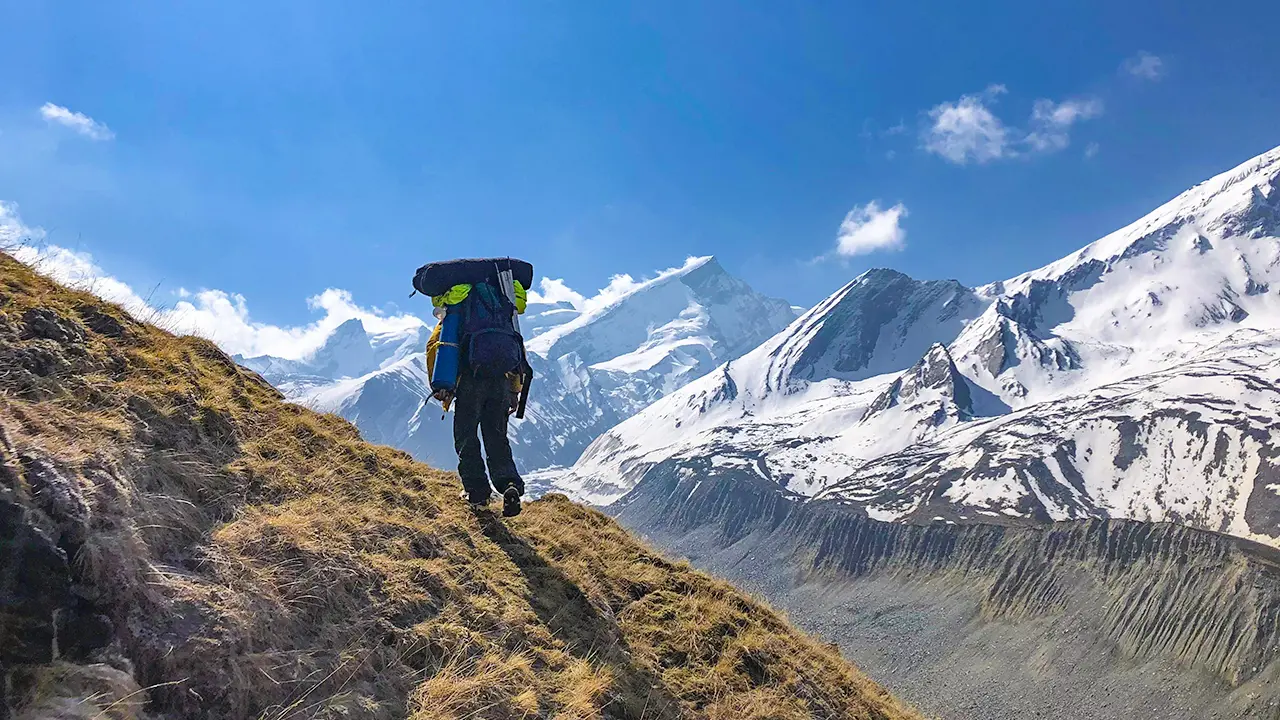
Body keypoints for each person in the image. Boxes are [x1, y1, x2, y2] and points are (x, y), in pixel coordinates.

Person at [426, 279, 529, 517]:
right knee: (497, 438)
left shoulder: (456, 313)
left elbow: (437, 347)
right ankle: (509, 484)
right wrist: (514, 389)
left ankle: (478, 494)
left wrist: (443, 387)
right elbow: (516, 350)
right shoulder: (502, 310)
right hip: (500, 381)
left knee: (466, 437)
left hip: (471, 383)